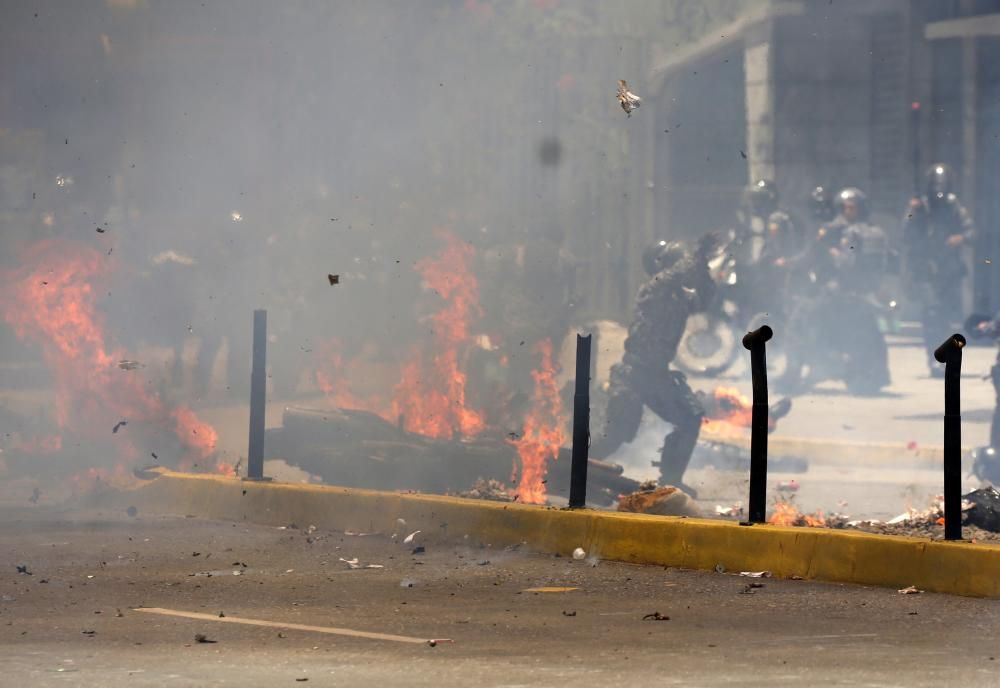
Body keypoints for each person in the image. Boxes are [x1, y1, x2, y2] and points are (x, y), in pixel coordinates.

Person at [590, 234, 717, 497]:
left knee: (690, 418)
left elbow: (705, 299)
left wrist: (703, 264)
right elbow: (674, 274)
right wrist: (693, 256)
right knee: (617, 432)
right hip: (635, 373)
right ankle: (577, 469)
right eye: (675, 262)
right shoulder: (653, 288)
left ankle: (671, 479)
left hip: (657, 375)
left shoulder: (678, 296)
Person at [903, 164, 975, 376]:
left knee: (949, 315)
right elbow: (906, 233)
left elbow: (970, 230)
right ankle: (933, 359)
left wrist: (959, 238)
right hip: (927, 269)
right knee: (932, 313)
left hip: (949, 270)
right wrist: (914, 213)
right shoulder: (919, 207)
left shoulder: (954, 206)